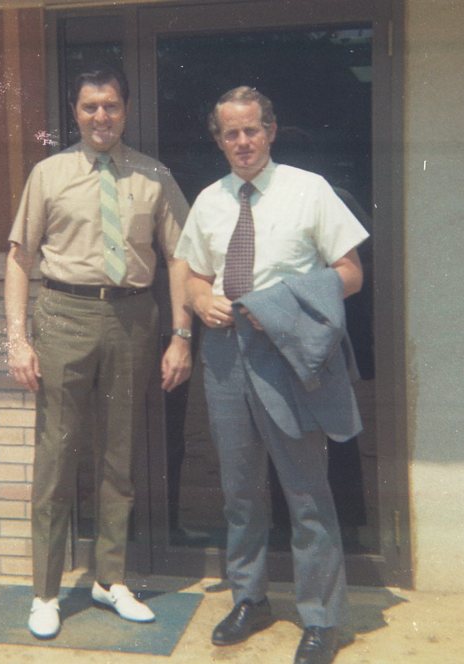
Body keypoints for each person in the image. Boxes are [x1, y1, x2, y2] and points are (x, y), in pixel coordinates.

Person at [174, 86, 369, 664]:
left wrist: (280, 304)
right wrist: (199, 298)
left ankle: (321, 618)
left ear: (271, 131)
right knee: (239, 489)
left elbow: (350, 273)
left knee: (306, 491)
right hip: (224, 357)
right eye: (231, 133)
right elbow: (193, 272)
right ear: (219, 140)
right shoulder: (209, 200)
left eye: (252, 130)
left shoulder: (310, 190)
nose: (243, 142)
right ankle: (249, 597)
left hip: (288, 355)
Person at [4, 65, 193, 640]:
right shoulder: (49, 174)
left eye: (111, 105)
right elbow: (19, 258)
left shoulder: (154, 176)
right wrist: (17, 339)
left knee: (118, 456)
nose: (101, 116)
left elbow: (181, 257)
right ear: (75, 112)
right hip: (64, 316)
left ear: (126, 110)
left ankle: (110, 580)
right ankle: (45, 592)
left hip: (133, 319)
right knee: (57, 456)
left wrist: (181, 335)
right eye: (90, 107)